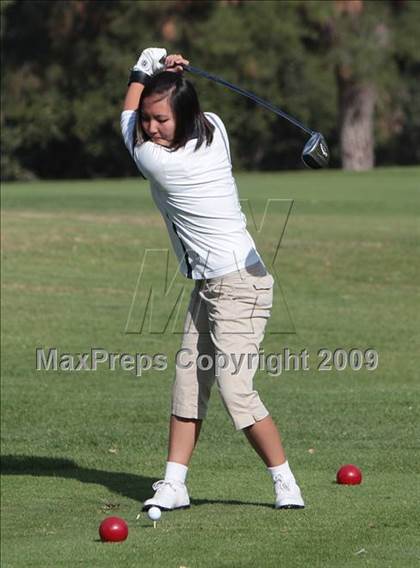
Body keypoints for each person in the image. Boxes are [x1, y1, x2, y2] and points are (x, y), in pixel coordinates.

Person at [121, 47, 304, 511]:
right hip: (212, 282)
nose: (150, 127)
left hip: (239, 284)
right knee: (188, 380)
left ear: (182, 117)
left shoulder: (160, 162)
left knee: (235, 391)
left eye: (160, 119)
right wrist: (168, 78)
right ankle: (174, 483)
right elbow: (154, 113)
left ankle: (285, 483)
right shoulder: (216, 129)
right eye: (148, 119)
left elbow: (123, 118)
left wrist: (143, 70)